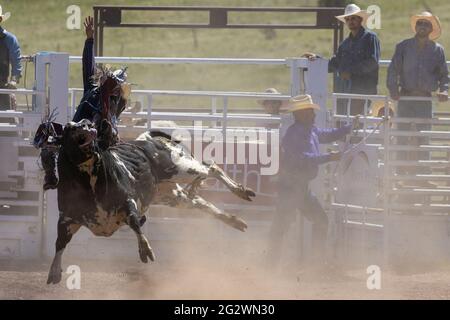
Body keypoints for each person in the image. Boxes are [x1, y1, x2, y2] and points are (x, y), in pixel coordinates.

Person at [35, 16, 131, 190]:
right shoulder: (93, 89)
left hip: (101, 143)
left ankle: (129, 204)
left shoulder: (115, 104)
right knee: (47, 132)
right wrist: (89, 40)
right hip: (76, 133)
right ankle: (51, 175)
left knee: (124, 165)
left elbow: (110, 128)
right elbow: (88, 65)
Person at [267, 94, 358, 268]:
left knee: (311, 222)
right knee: (283, 227)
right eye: (310, 111)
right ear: (301, 114)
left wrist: (349, 127)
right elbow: (303, 159)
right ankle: (273, 265)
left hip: (298, 188)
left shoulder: (309, 130)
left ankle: (313, 262)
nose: (314, 114)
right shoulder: (295, 133)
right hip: (292, 187)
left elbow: (329, 135)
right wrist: (329, 157)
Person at [387, 11, 448, 188]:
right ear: (416, 26)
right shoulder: (403, 46)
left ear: (431, 29)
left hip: (425, 99)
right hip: (405, 96)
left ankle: (423, 174)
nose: (422, 26)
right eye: (420, 23)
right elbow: (393, 70)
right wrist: (393, 89)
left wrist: (444, 90)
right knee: (401, 135)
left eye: (426, 24)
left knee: (424, 136)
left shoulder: (438, 50)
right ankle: (399, 174)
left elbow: (444, 75)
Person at [303, 4, 380, 116]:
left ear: (360, 19)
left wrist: (350, 72)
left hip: (363, 89)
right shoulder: (345, 44)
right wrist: (318, 60)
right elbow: (335, 63)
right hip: (345, 90)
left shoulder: (370, 38)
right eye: (347, 19)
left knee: (355, 120)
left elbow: (372, 62)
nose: (350, 21)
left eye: (353, 18)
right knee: (345, 119)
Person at [0, 6, 22, 110]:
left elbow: (16, 60)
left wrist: (14, 80)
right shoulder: (10, 39)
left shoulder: (9, 39)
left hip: (2, 86)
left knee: (6, 118)